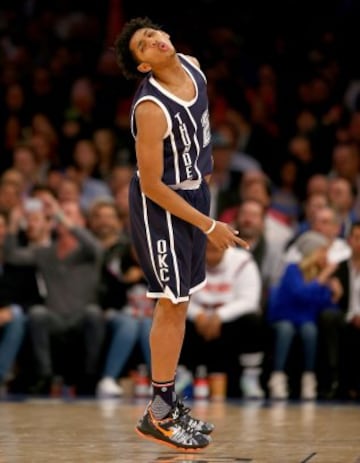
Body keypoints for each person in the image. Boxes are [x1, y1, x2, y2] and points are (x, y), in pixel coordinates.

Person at [114, 16, 248, 451]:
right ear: (143, 67)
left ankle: (168, 405)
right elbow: (152, 185)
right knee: (170, 304)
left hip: (195, 191)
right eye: (143, 46)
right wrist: (209, 225)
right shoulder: (150, 109)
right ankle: (158, 412)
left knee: (182, 300)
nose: (154, 41)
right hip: (162, 206)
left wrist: (204, 205)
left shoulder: (192, 65)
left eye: (153, 34)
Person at [267, 231, 342, 400]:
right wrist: (323, 278)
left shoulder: (320, 276)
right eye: (323, 251)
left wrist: (335, 296)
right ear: (312, 251)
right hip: (284, 317)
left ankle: (309, 378)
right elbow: (300, 294)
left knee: (310, 330)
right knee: (286, 329)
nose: (326, 256)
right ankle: (277, 377)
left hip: (306, 319)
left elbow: (322, 304)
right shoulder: (292, 270)